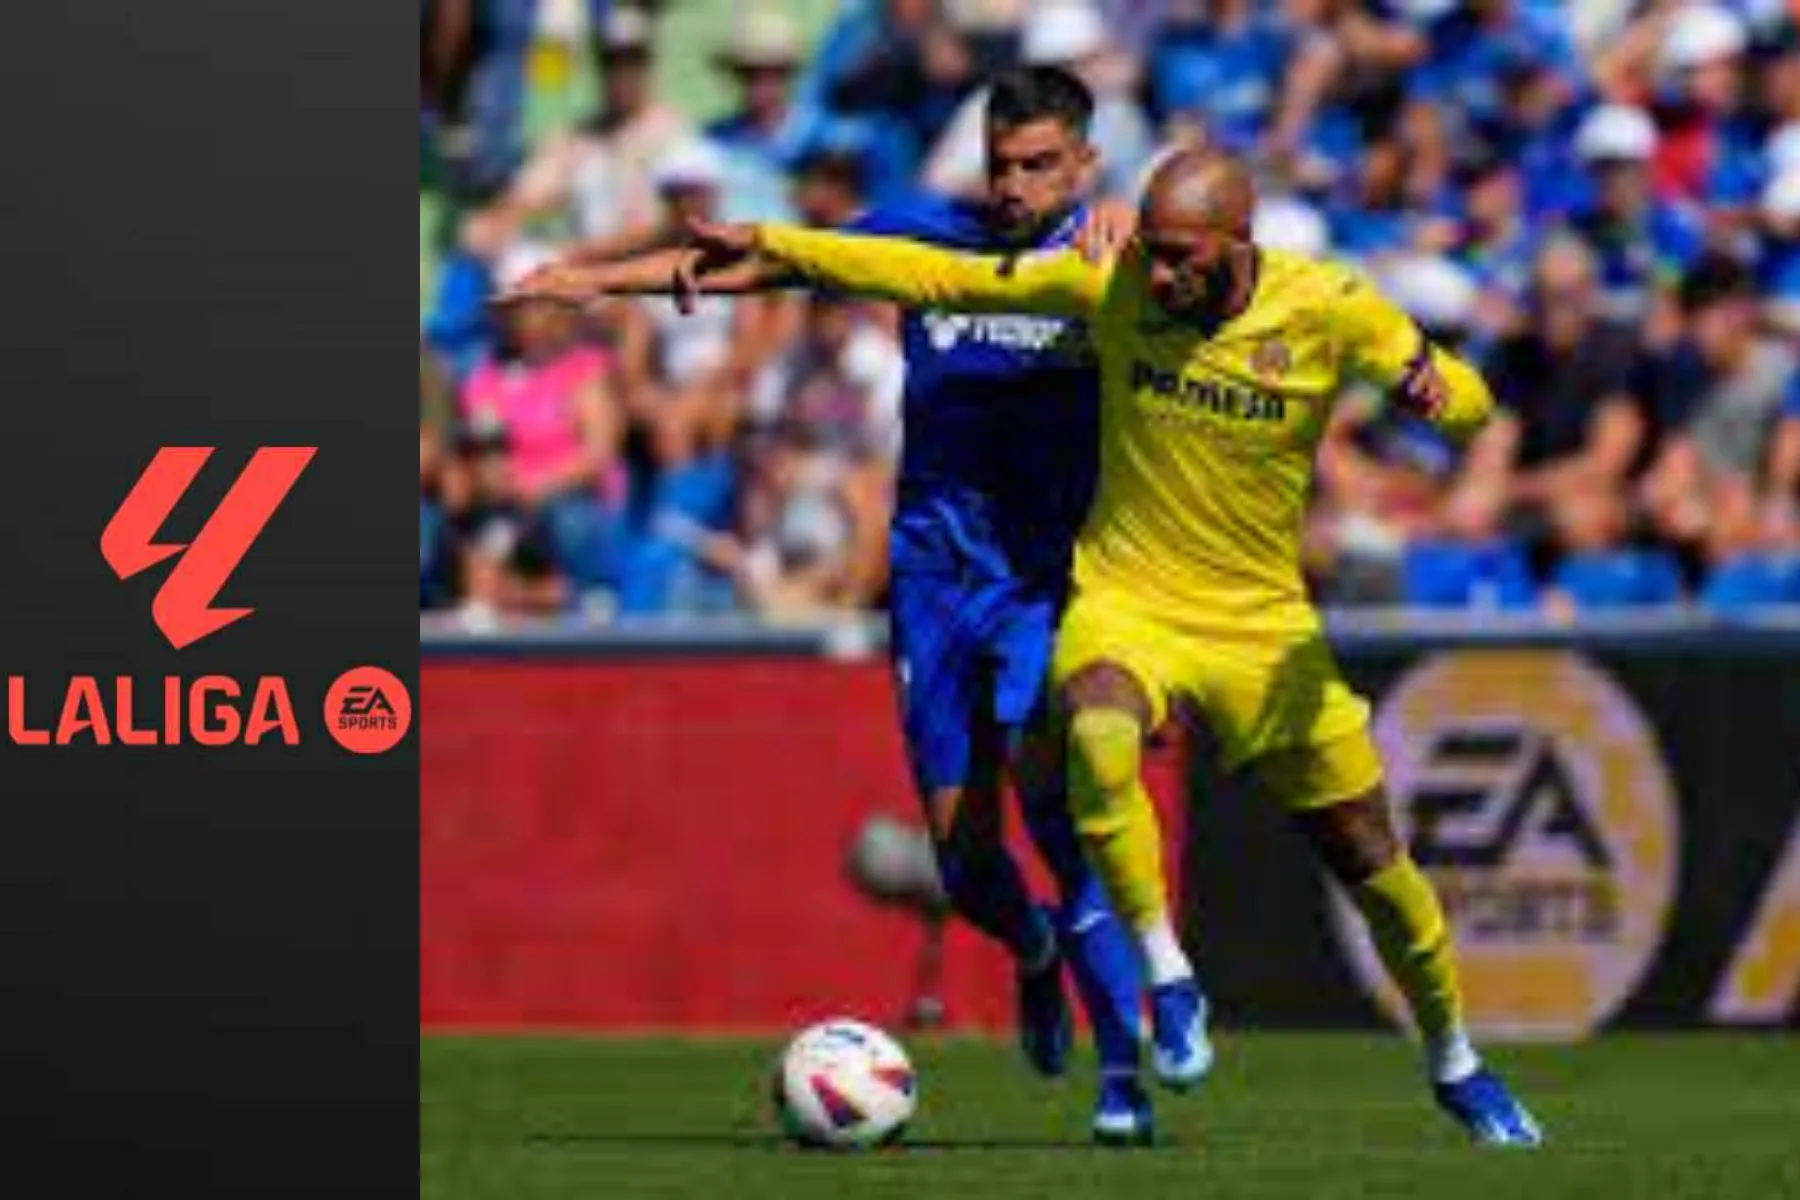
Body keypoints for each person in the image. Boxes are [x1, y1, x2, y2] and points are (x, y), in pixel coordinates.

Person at [634, 145, 1547, 1148]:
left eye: (1184, 256)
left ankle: (1456, 1059)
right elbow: (933, 274)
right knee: (1099, 734)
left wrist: (1437, 389)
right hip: (1128, 600)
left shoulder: (1330, 307)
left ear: (1239, 244)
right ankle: (1170, 979)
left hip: (1260, 625)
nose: (1162, 273)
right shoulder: (1114, 284)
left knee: (1373, 860)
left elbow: (1471, 404)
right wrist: (774, 242)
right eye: (1155, 249)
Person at [500, 66, 1157, 1144]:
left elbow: (1230, 263)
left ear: (1085, 165)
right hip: (933, 579)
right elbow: (771, 259)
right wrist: (595, 277)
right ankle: (1035, 947)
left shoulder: (1112, 257)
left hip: (1049, 581)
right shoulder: (926, 235)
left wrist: (1142, 216)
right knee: (966, 862)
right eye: (1002, 164)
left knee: (1062, 812)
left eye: (1041, 166)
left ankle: (1124, 1077)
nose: (1015, 186)